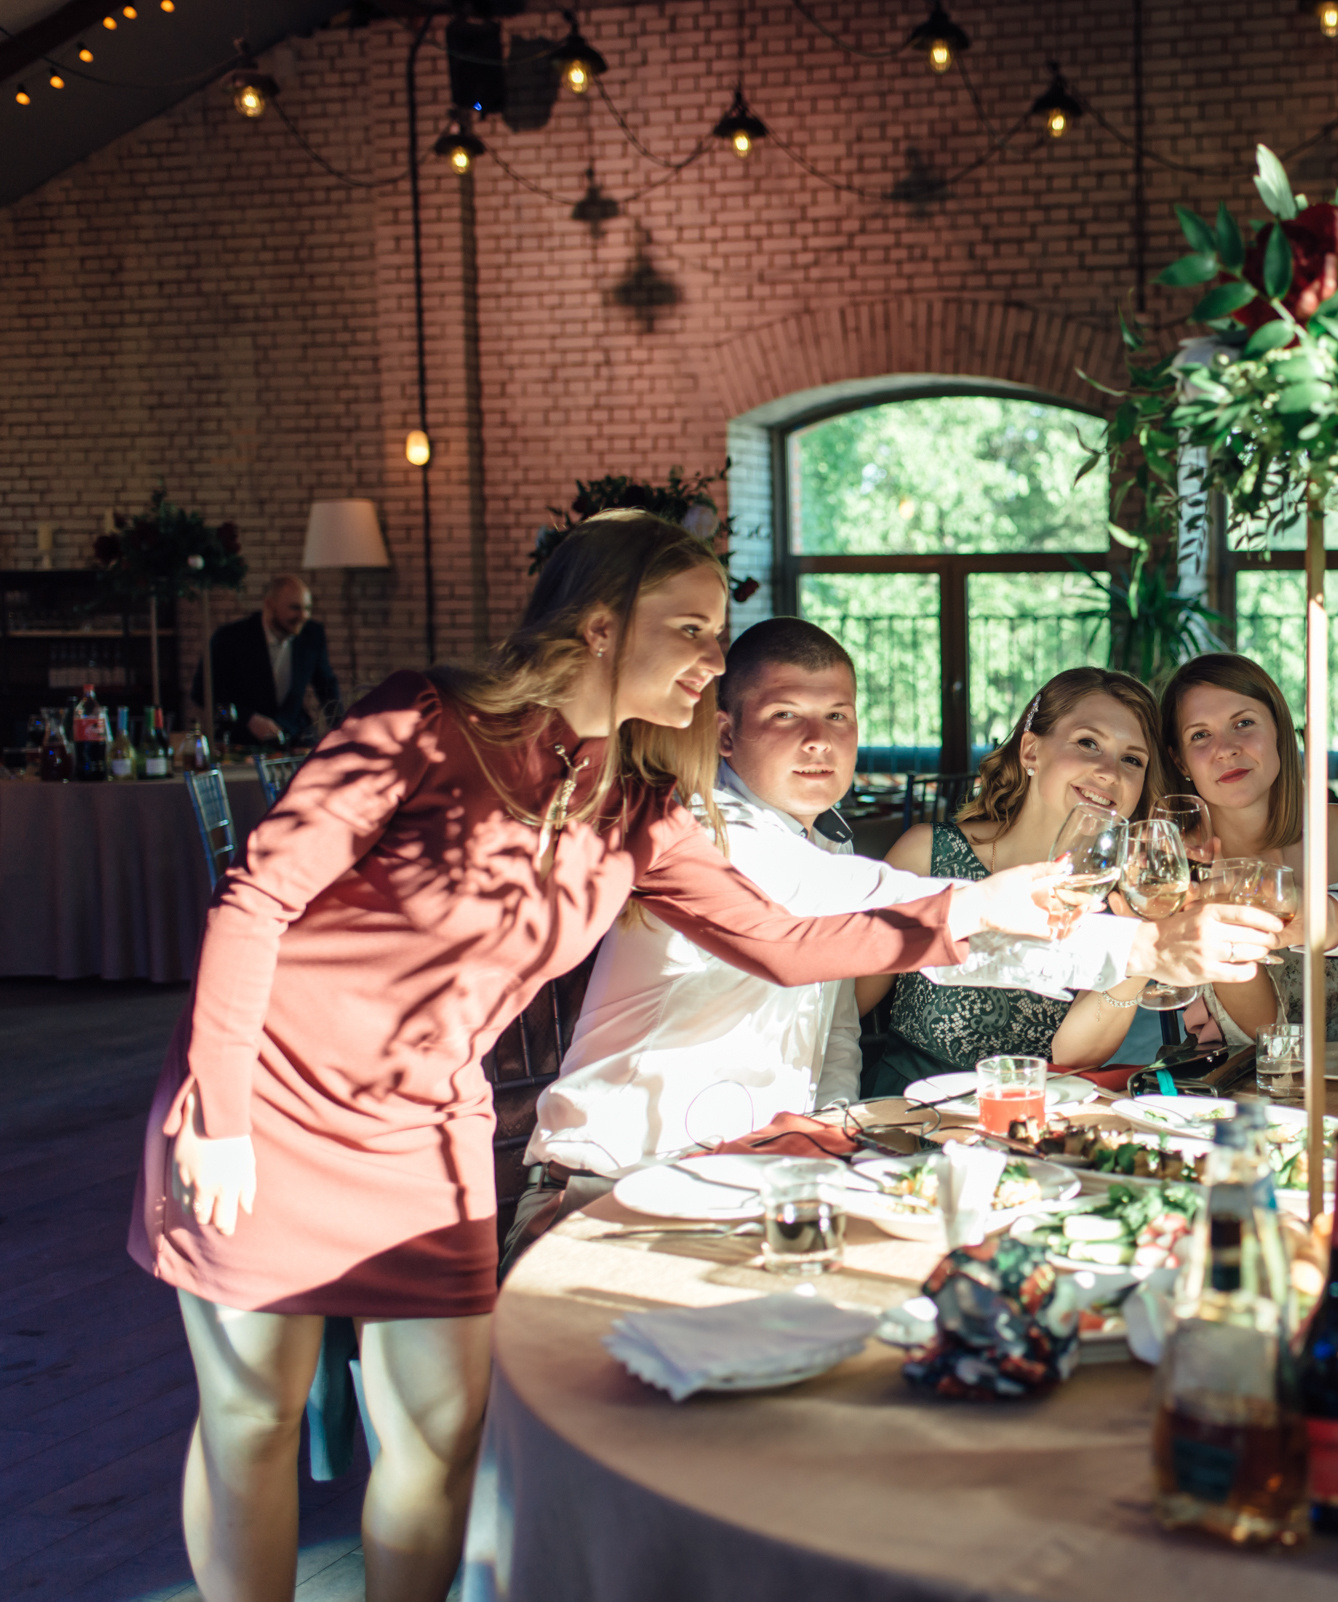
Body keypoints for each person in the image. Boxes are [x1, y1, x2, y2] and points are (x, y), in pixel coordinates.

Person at [130, 512, 1069, 1602]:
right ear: (599, 625)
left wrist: (977, 910)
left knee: (439, 1439)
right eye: (693, 630)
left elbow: (782, 944)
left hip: (427, 1132)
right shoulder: (423, 721)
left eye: (722, 633)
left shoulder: (632, 808)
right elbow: (258, 898)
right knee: (254, 1415)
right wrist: (220, 1112)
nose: (717, 661)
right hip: (269, 1102)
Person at [516, 621, 1280, 1255]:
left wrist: (835, 1136)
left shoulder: (829, 848)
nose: (820, 740)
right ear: (724, 732)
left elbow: (849, 1018)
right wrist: (1134, 950)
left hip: (751, 1181)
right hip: (613, 1186)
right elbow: (882, 913)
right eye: (787, 716)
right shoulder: (710, 827)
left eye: (838, 718)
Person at [865, 667, 1172, 1086]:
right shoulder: (927, 855)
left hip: (1035, 1123)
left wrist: (1143, 939)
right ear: (1030, 751)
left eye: (1132, 759)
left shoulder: (1118, 897)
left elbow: (1074, 1056)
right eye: (1088, 743)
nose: (1110, 772)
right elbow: (846, 1007)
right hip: (908, 1117)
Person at [1159, 652, 1338, 1046]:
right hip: (1244, 1092)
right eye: (1200, 735)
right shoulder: (1179, 870)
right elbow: (1264, 1035)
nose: (1225, 749)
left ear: (1279, 729)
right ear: (1180, 761)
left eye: (1243, 723)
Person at [196, 572, 341, 744]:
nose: (303, 616)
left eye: (307, 608)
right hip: (243, 741)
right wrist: (248, 718)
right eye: (295, 608)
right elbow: (203, 691)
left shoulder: (312, 634)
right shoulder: (230, 638)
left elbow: (326, 686)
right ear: (269, 605)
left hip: (295, 737)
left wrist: (343, 731)